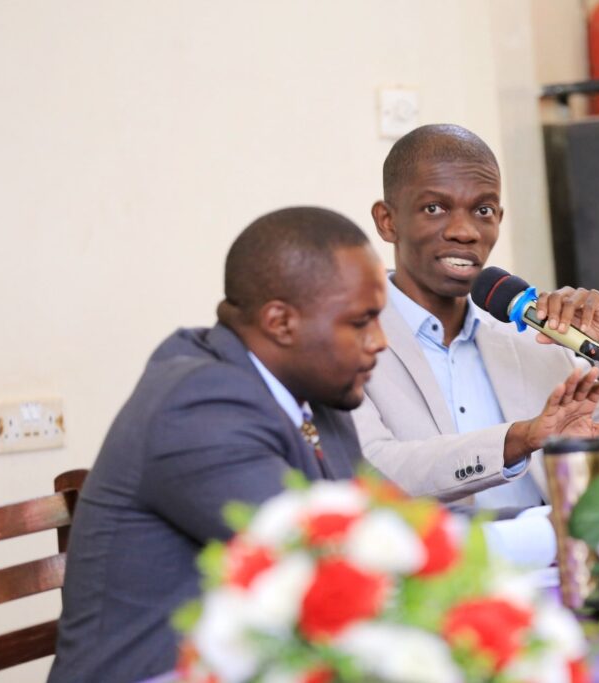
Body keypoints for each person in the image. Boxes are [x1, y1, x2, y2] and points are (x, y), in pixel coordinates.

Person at [49, 207, 388, 683]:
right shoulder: (197, 405)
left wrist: (529, 529)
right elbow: (324, 558)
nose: (380, 341)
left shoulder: (314, 388)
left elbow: (394, 523)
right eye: (361, 322)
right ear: (280, 322)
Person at [352, 124, 599, 509]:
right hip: (441, 567)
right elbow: (374, 473)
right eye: (435, 208)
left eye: (483, 210)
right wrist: (518, 440)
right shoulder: (347, 343)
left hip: (558, 563)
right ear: (387, 221)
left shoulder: (538, 338)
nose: (464, 231)